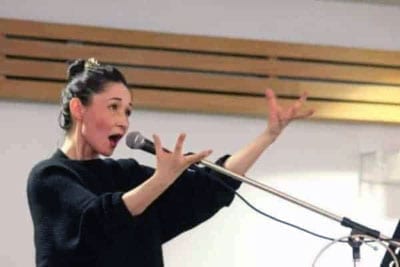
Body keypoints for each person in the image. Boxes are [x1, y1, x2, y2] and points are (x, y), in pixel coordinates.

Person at [27, 58, 314, 267]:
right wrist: (161, 179)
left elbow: (205, 188)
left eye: (128, 112)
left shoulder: (125, 173)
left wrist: (268, 136)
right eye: (113, 107)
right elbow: (98, 222)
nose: (123, 122)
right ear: (79, 108)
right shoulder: (49, 177)